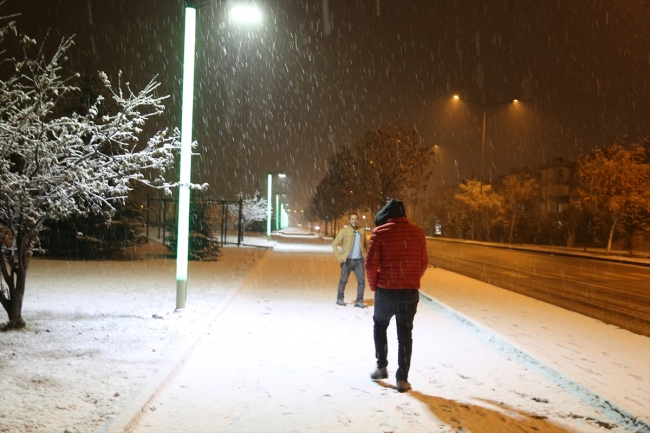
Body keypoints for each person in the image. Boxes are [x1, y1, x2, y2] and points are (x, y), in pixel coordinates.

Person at [365, 199, 428, 392]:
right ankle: (402, 379)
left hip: (386, 292)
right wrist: (410, 278)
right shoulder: (418, 233)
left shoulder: (380, 232)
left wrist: (375, 286)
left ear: (387, 215)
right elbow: (423, 263)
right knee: (405, 334)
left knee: (380, 325)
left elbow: (370, 265)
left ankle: (382, 366)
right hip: (409, 294)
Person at [331, 212, 368, 308]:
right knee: (343, 280)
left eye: (356, 219)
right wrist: (339, 257)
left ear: (357, 220)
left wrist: (365, 255)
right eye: (352, 219)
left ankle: (359, 301)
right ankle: (340, 299)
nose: (354, 221)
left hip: (359, 261)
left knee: (361, 281)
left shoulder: (362, 231)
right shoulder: (344, 231)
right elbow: (334, 244)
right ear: (349, 220)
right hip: (347, 260)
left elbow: (366, 245)